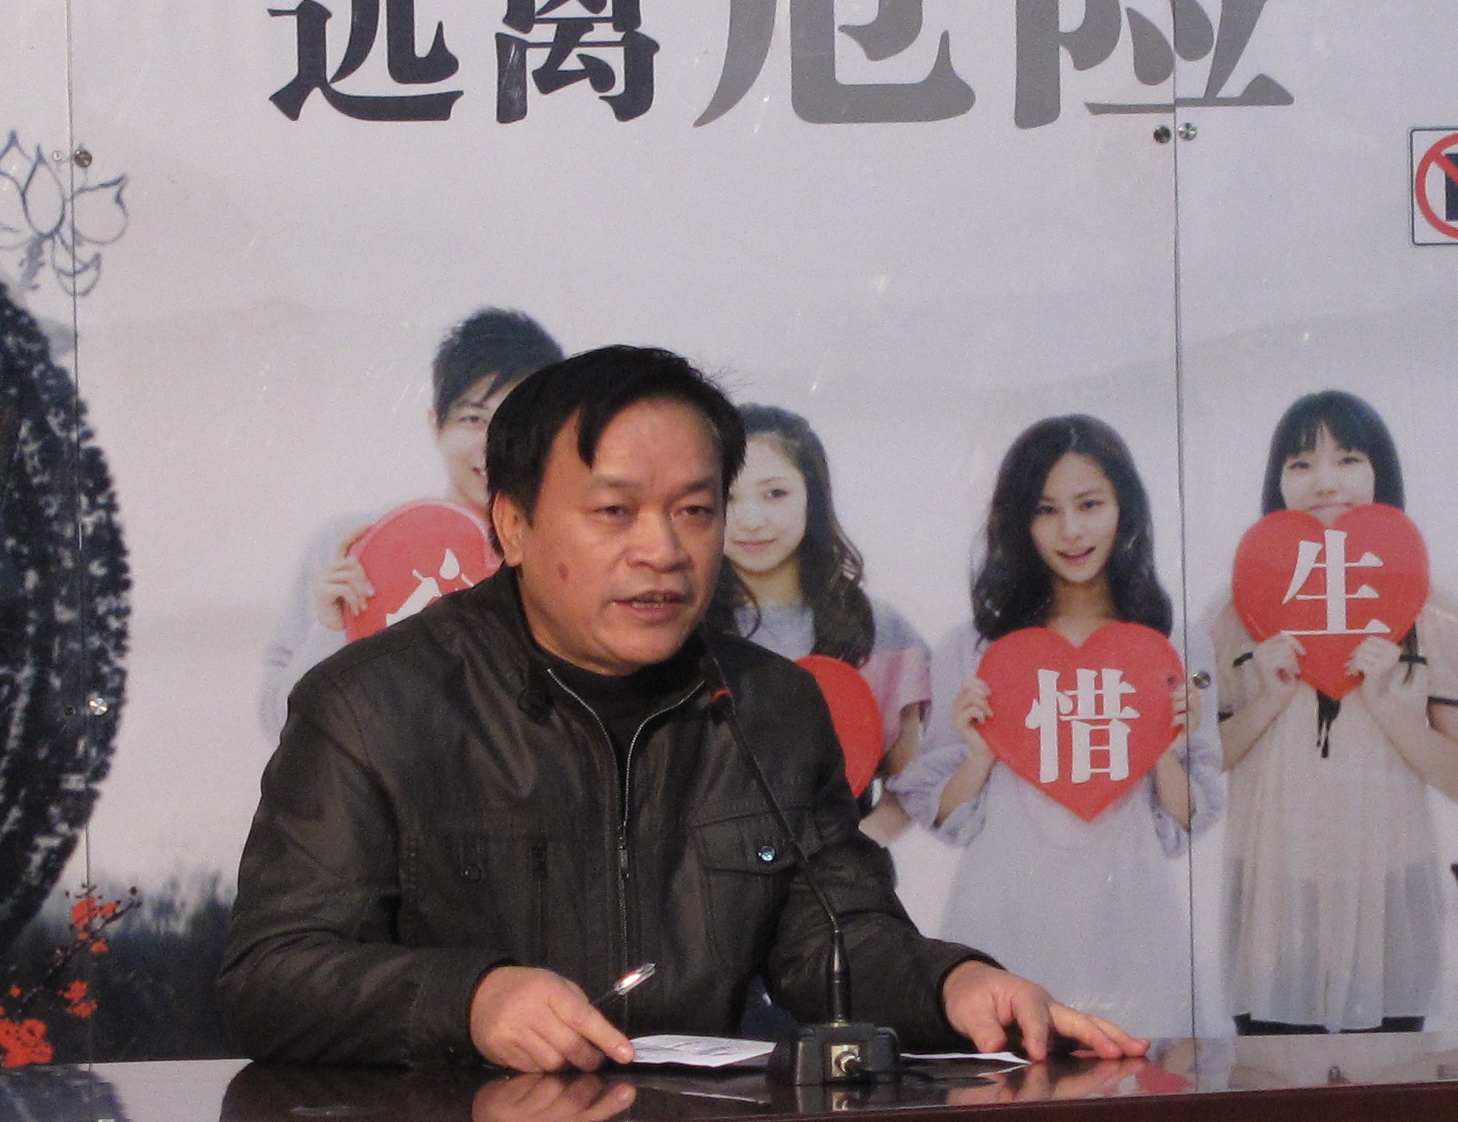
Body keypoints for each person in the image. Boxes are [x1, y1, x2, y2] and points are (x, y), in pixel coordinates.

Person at [218, 344, 1138, 1070]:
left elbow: (836, 940)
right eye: (614, 513)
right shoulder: (371, 706)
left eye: (694, 511)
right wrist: (472, 1000)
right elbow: (273, 974)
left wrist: (955, 985)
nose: (662, 550)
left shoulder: (770, 706)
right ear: (512, 525)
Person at [914, 414, 1223, 1041]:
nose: (1071, 530)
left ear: (1124, 510)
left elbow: (1188, 823)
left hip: (1129, 922)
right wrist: (979, 755)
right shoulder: (972, 648)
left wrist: (1163, 753)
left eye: (1089, 504)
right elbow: (943, 818)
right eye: (1046, 510)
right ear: (1018, 522)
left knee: (1135, 1083)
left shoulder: (1175, 644)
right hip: (1003, 915)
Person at [1212, 391, 1458, 1033]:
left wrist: (1386, 704)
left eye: (1349, 460)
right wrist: (1271, 697)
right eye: (1301, 464)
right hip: (1274, 891)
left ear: (1381, 473)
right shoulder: (1230, 614)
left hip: (1390, 887)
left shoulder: (1435, 614)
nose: (1325, 482)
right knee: (1272, 1078)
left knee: (1390, 1081)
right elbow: (1203, 762)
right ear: (1277, 482)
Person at [252, 307, 561, 741]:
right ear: (436, 425)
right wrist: (332, 629)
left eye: (517, 424)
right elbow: (281, 727)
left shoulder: (566, 561)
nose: (493, 446)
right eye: (473, 419)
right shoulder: (351, 547)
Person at [720, 403, 935, 842]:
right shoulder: (678, 632)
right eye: (727, 497)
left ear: (812, 497)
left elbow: (908, 788)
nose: (751, 520)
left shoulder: (879, 631)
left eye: (774, 493)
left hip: (842, 877)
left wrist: (845, 857)